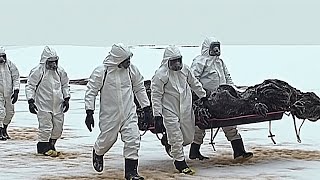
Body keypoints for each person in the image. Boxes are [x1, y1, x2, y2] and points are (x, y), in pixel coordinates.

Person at [84, 43, 150, 180]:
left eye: (129, 59)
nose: (128, 62)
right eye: (126, 60)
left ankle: (131, 173)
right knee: (108, 139)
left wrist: (146, 107)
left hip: (128, 113)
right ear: (117, 59)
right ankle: (98, 151)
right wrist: (89, 111)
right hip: (110, 116)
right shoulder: (102, 72)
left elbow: (139, 88)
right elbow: (91, 92)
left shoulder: (132, 70)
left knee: (133, 139)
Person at [189, 37, 253, 161]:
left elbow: (227, 76)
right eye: (214, 47)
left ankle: (239, 151)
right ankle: (194, 152)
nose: (217, 50)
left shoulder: (220, 62)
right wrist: (203, 94)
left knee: (229, 122)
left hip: (223, 99)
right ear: (208, 48)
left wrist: (233, 89)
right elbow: (193, 79)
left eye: (218, 47)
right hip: (206, 99)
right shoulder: (200, 61)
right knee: (201, 125)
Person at [151, 45, 207, 175]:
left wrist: (203, 96)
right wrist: (157, 115)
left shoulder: (185, 70)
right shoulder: (161, 75)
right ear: (167, 61)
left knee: (188, 137)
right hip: (169, 110)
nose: (177, 64)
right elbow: (156, 95)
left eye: (178, 60)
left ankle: (168, 143)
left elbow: (194, 83)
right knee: (176, 136)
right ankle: (180, 163)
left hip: (186, 108)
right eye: (173, 61)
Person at [25, 46, 70, 157]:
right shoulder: (38, 71)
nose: (53, 64)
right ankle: (43, 148)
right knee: (45, 127)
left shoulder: (60, 71)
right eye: (50, 62)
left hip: (58, 105)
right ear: (45, 61)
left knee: (58, 128)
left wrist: (66, 98)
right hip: (43, 105)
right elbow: (30, 86)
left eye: (55, 61)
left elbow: (65, 85)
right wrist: (30, 101)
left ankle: (51, 145)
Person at [0, 47, 20, 140]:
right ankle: (0, 131)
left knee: (10, 112)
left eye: (3, 56)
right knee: (1, 112)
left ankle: (4, 129)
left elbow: (16, 77)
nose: (1, 59)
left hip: (9, 93)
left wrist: (16, 90)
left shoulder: (10, 65)